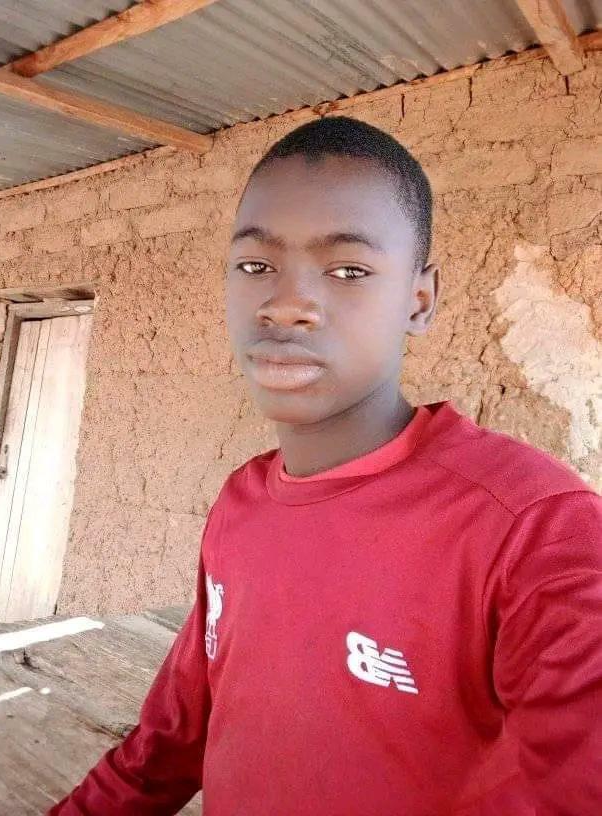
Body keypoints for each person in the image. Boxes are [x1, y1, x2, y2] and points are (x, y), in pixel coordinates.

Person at [49, 116, 602, 816]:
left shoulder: (537, 530)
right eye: (256, 266)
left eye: (348, 270)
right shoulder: (242, 504)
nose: (285, 306)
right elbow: (169, 740)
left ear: (420, 300)